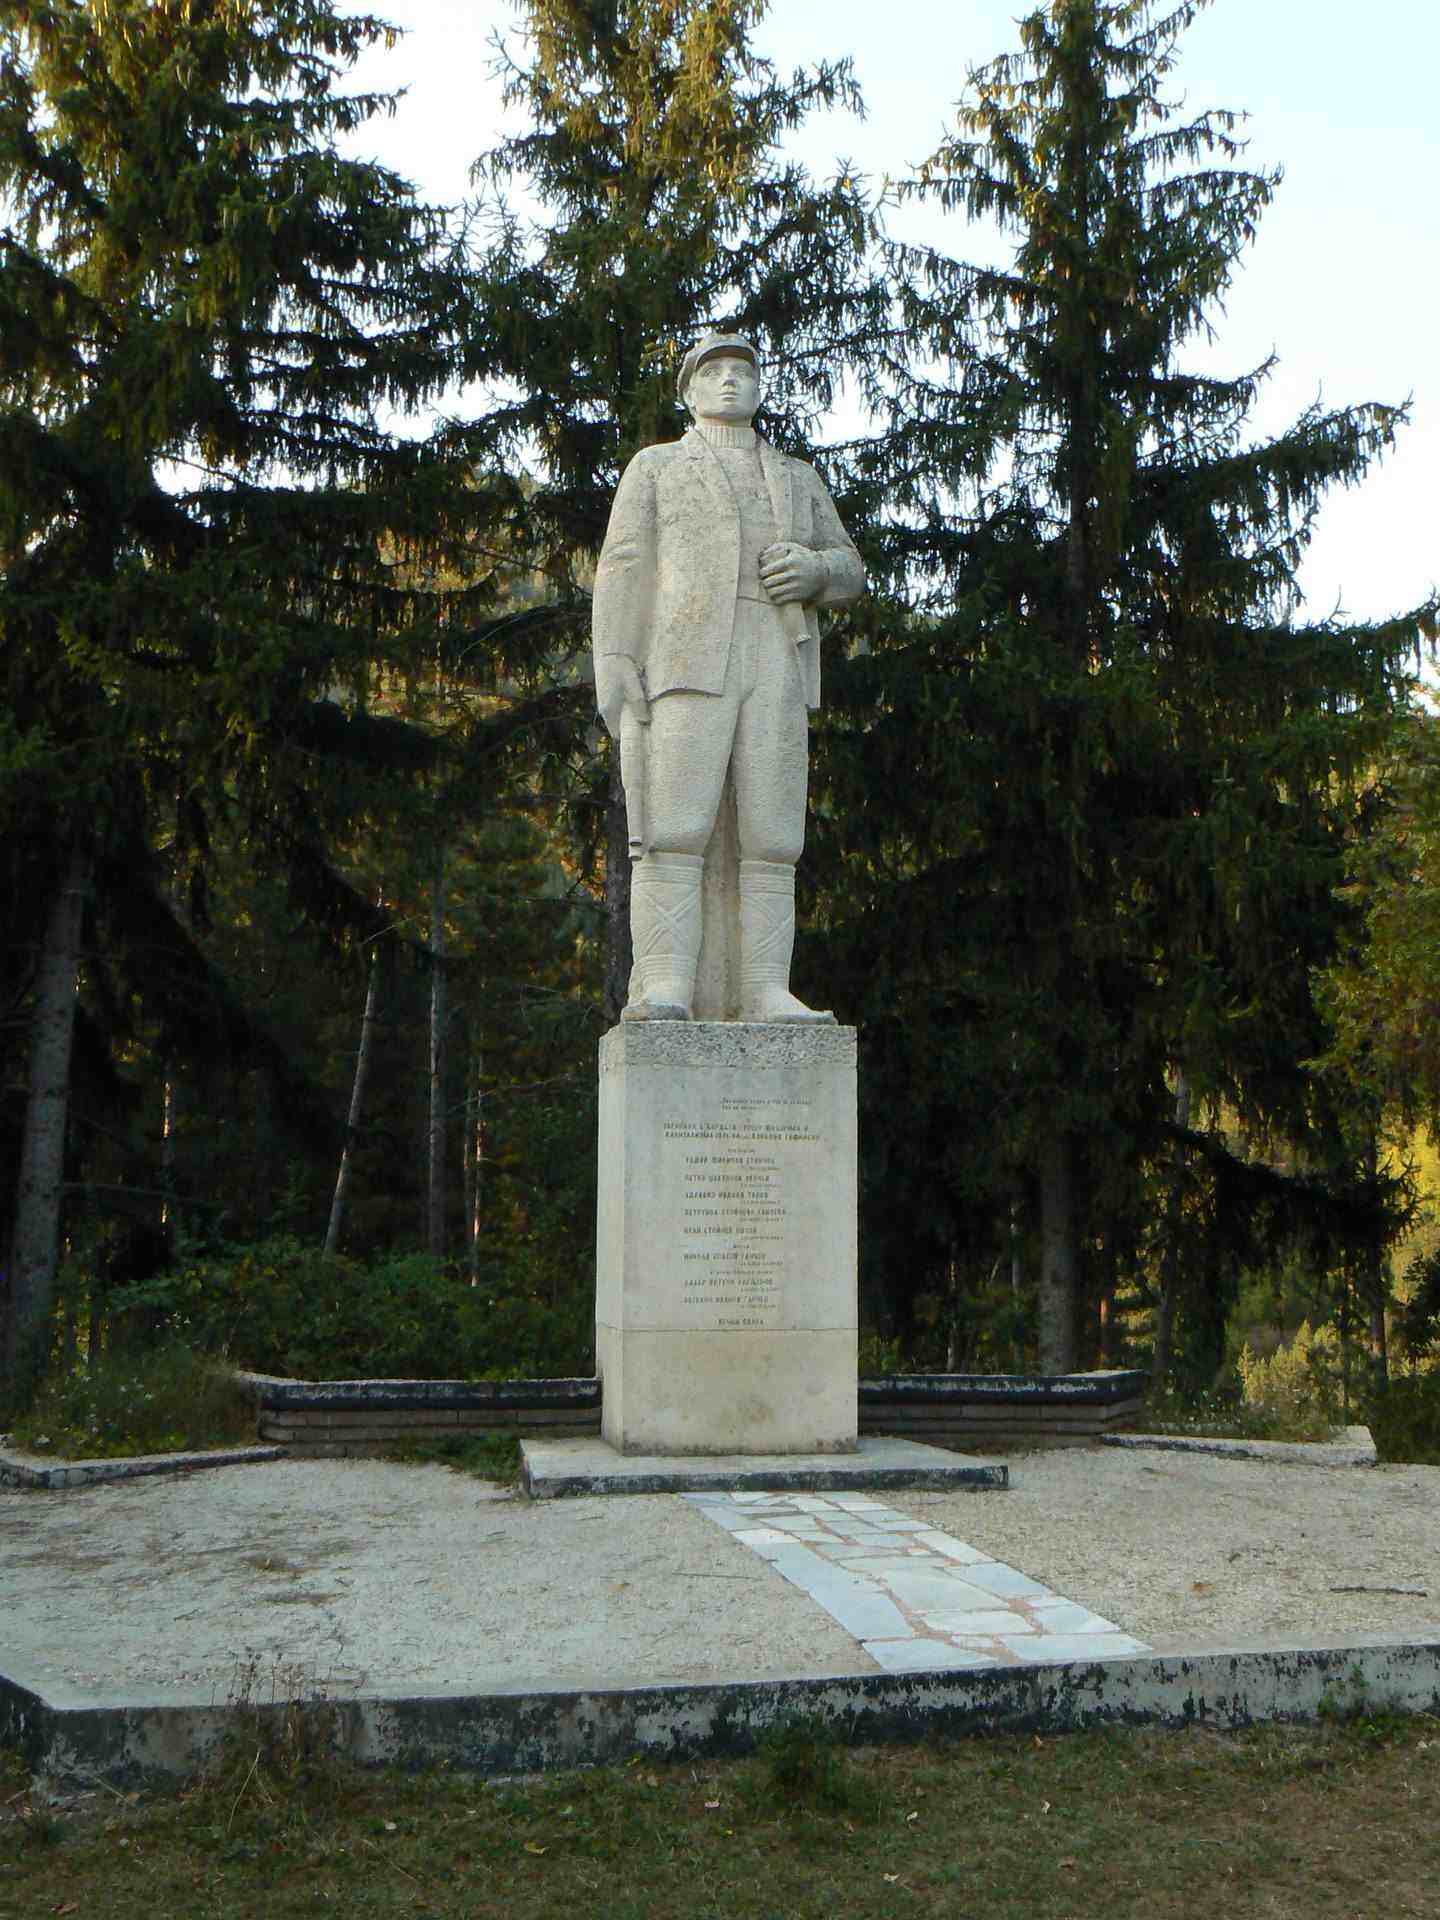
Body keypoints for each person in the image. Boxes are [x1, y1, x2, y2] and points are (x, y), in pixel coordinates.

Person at [592, 330, 864, 1022]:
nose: (730, 381)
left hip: (775, 653)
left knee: (773, 836)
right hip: (685, 656)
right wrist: (616, 659)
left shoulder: (797, 476)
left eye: (743, 370)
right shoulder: (657, 468)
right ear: (688, 392)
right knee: (674, 827)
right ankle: (666, 983)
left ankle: (766, 989)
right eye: (713, 372)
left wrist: (814, 570)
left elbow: (849, 566)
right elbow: (623, 565)